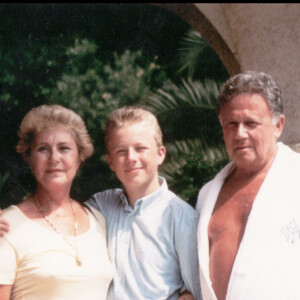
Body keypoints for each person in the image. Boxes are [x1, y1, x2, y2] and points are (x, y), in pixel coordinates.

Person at [196, 70, 300, 300]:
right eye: (231, 124)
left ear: (278, 126)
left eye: (251, 123)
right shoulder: (207, 195)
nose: (240, 134)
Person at [87, 106, 201, 300]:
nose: (131, 158)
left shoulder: (182, 218)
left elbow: (195, 291)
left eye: (140, 148)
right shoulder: (101, 205)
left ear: (160, 154)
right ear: (110, 162)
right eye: (121, 151)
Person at [0, 104, 113, 300]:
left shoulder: (98, 220)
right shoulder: (7, 226)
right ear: (29, 158)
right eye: (43, 148)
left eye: (64, 148)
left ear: (80, 159)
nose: (54, 158)